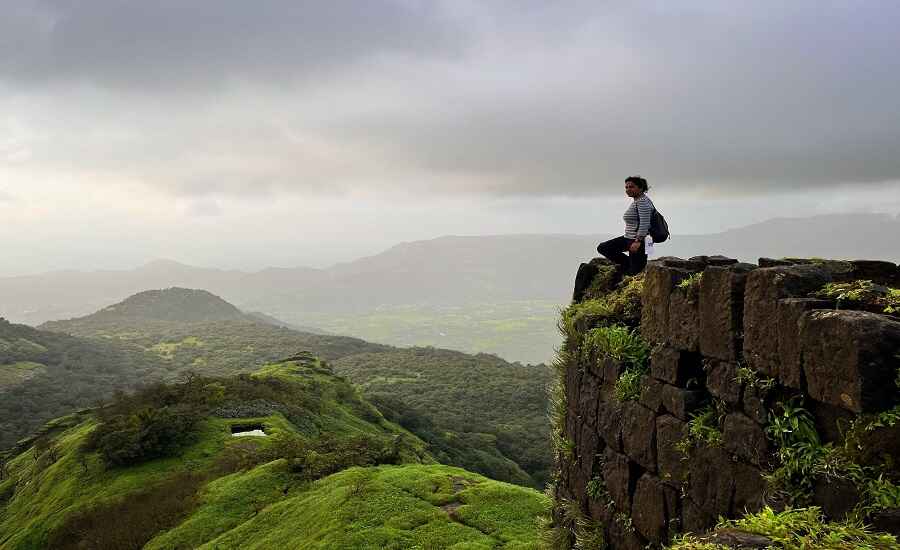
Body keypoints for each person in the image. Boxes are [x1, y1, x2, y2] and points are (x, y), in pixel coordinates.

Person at [597, 175, 655, 275]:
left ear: (640, 188)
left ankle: (631, 266)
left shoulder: (642, 202)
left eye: (631, 187)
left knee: (634, 272)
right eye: (626, 187)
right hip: (629, 238)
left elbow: (645, 223)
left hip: (638, 241)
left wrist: (638, 241)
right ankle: (628, 264)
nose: (628, 189)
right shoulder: (638, 200)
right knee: (603, 247)